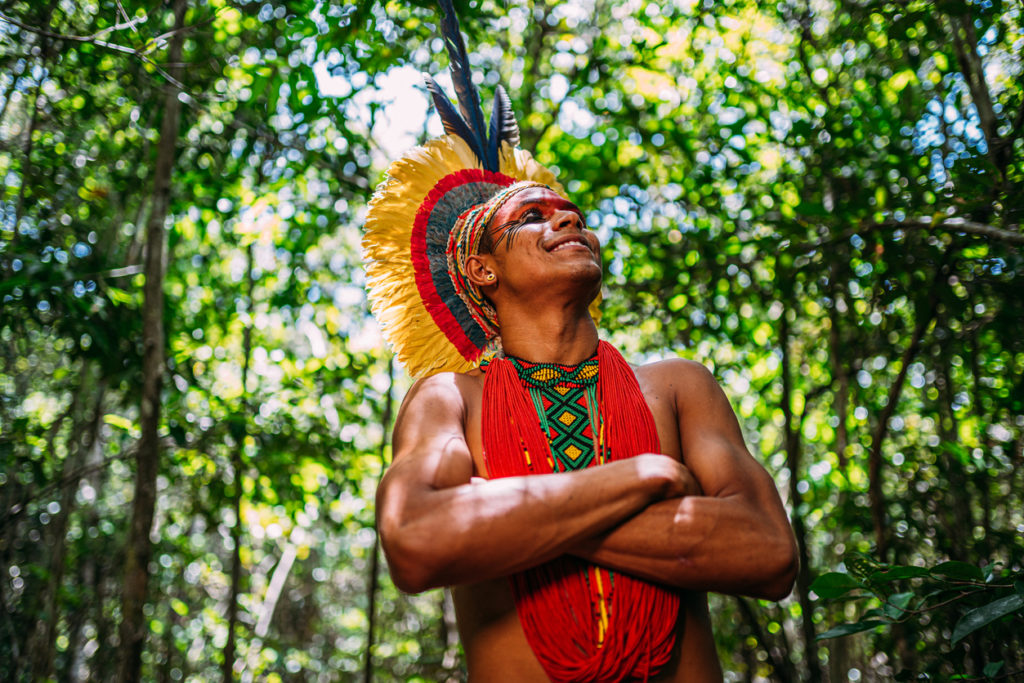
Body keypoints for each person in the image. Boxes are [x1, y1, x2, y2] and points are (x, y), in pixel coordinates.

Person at [362, 4, 797, 678]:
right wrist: (641, 478)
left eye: (573, 215)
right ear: (482, 270)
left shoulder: (678, 386)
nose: (567, 217)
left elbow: (768, 552)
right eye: (532, 216)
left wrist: (519, 517)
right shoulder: (449, 398)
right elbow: (416, 539)